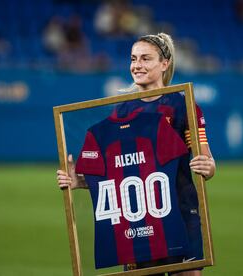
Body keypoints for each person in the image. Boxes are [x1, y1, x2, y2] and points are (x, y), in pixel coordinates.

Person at [57, 33, 216, 276]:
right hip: (138, 222)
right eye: (133, 59)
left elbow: (207, 161)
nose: (137, 65)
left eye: (145, 58)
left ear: (165, 64)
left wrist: (208, 166)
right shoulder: (122, 109)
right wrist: (79, 181)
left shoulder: (183, 104)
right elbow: (119, 174)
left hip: (181, 214)